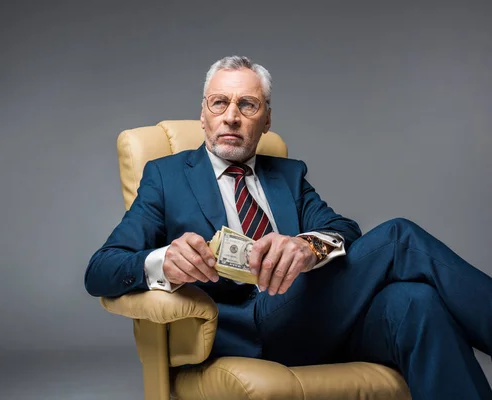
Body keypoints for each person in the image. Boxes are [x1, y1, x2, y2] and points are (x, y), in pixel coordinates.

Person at [85, 56, 492, 399]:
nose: (231, 116)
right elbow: (101, 268)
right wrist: (164, 262)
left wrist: (308, 247)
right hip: (250, 328)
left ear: (266, 120)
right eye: (219, 103)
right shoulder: (166, 176)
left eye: (247, 105)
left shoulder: (288, 174)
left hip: (317, 320)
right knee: (400, 237)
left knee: (417, 301)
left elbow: (341, 228)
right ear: (203, 115)